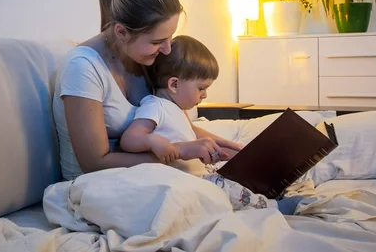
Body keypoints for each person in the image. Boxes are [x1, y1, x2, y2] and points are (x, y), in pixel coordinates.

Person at [52, 0, 242, 181]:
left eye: (170, 37)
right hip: (97, 185)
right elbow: (94, 164)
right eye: (157, 41)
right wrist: (180, 152)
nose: (167, 49)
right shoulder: (83, 68)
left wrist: (238, 153)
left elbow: (182, 127)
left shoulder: (144, 58)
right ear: (121, 32)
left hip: (152, 175)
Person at [119, 35, 303, 214]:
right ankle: (272, 207)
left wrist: (233, 150)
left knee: (232, 179)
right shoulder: (155, 105)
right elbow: (129, 139)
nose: (205, 95)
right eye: (201, 88)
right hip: (187, 180)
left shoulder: (176, 108)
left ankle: (269, 190)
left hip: (202, 174)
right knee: (228, 190)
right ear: (174, 85)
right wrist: (153, 141)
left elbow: (193, 132)